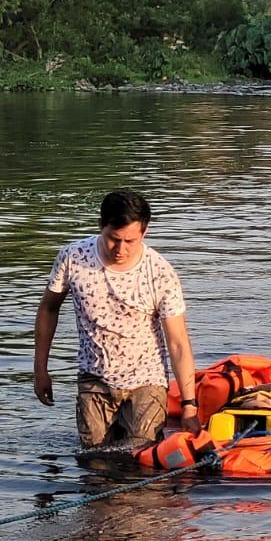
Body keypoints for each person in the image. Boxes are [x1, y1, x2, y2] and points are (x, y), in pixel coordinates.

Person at [32, 189, 200, 448]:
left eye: (131, 241)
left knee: (141, 461)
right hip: (94, 378)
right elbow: (48, 309)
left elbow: (177, 342)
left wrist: (189, 405)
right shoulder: (73, 258)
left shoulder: (160, 272)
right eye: (113, 239)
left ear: (144, 233)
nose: (120, 249)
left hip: (147, 381)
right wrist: (40, 369)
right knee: (94, 462)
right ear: (101, 226)